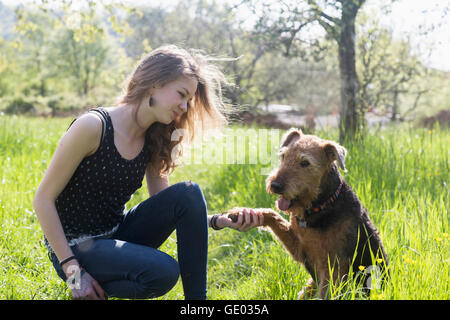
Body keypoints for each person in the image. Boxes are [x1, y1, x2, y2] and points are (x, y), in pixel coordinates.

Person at [33, 45, 264, 300]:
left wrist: (219, 220)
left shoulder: (155, 137)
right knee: (163, 271)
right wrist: (74, 274)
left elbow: (175, 209)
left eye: (189, 101)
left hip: (116, 235)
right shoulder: (93, 126)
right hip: (74, 249)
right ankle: (89, 285)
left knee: (188, 194)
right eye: (182, 94)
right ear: (154, 83)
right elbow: (42, 199)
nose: (186, 107)